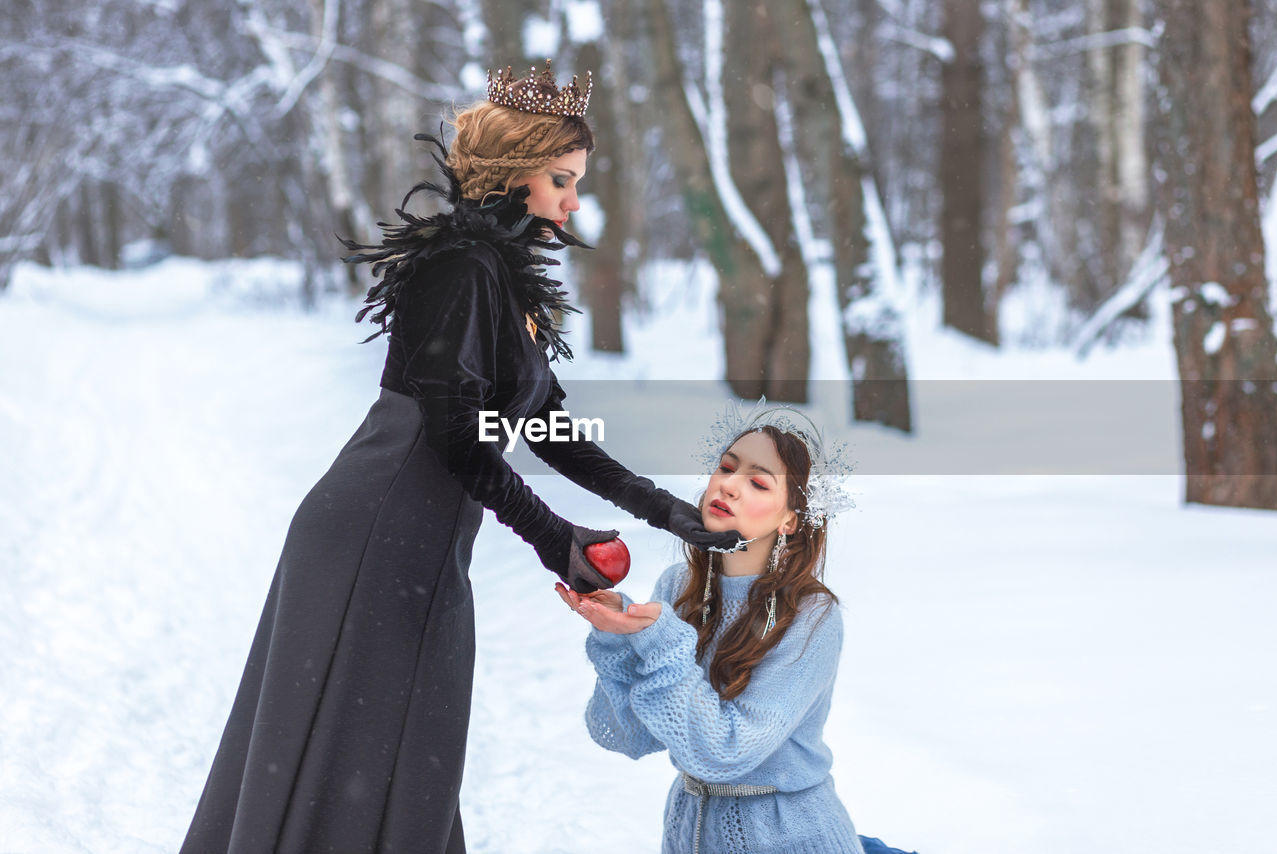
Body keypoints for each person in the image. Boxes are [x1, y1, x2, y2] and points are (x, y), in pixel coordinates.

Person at [181, 61, 742, 854]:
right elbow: (456, 435)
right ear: (514, 174)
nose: (574, 201)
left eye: (577, 181)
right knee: (371, 747)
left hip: (423, 540)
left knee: (409, 752)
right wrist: (557, 538)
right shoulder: (459, 269)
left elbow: (550, 429)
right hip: (373, 536)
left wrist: (665, 510)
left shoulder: (507, 284)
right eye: (561, 178)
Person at [557, 406, 917, 854]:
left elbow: (726, 751)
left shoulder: (812, 615)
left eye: (758, 481)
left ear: (790, 519)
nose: (728, 484)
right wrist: (618, 636)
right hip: (689, 830)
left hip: (789, 837)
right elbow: (624, 734)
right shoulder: (678, 587)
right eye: (726, 468)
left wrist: (659, 640)